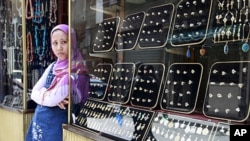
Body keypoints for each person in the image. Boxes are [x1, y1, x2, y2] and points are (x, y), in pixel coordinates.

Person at [25, 24, 89, 141]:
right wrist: (47, 93)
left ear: (73, 43)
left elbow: (52, 99)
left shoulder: (76, 70)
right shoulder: (52, 66)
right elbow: (34, 92)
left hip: (57, 127)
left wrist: (44, 93)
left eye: (64, 42)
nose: (59, 47)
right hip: (39, 122)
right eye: (55, 43)